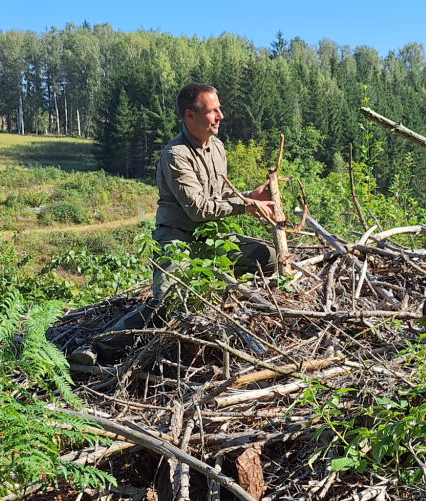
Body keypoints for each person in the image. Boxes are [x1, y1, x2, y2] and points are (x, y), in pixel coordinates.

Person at [70, 83, 276, 365]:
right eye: (213, 111)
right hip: (177, 239)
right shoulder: (175, 155)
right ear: (190, 116)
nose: (221, 116)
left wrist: (251, 196)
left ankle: (227, 307)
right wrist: (246, 205)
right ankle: (97, 347)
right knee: (166, 303)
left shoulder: (217, 148)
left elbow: (221, 195)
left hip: (210, 239)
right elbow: (198, 208)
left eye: (219, 109)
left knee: (268, 258)